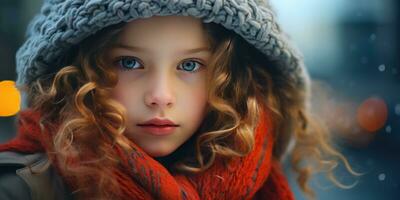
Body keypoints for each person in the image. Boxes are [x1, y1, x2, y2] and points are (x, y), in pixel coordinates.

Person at [0, 0, 359, 199]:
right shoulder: (21, 189)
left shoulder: (258, 185)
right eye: (129, 62)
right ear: (77, 74)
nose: (160, 96)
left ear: (234, 78)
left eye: (190, 65)